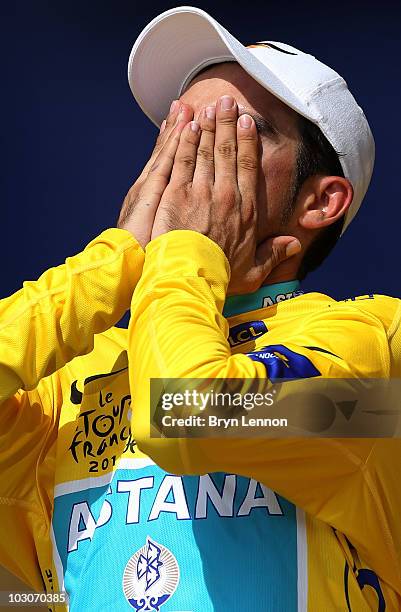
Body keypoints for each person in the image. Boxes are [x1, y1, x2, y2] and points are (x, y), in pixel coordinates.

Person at [0, 5, 400, 611]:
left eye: (236, 129)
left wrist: (183, 249)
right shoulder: (68, 385)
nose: (191, 149)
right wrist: (114, 261)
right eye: (179, 126)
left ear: (321, 201)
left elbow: (187, 414)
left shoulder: (374, 355)